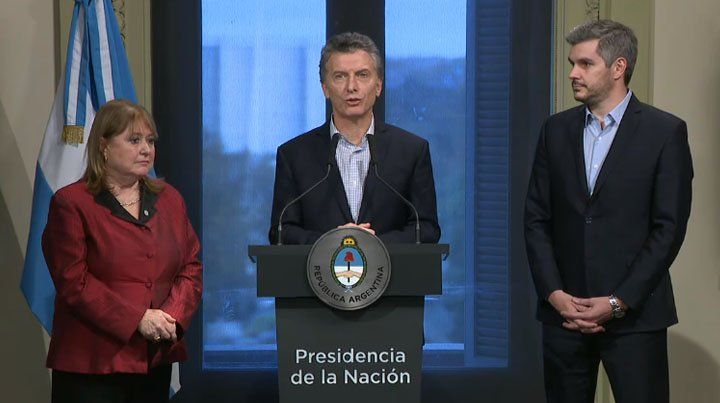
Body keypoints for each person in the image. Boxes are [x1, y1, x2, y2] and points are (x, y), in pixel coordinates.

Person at [524, 19, 693, 403]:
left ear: (619, 67)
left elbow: (668, 229)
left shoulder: (664, 132)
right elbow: (536, 219)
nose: (573, 73)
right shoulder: (555, 130)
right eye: (572, 63)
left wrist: (618, 302)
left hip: (636, 318)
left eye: (585, 64)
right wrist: (555, 294)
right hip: (564, 317)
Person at [42, 99, 203, 402]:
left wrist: (171, 316)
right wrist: (137, 318)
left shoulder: (170, 200)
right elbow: (73, 282)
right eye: (134, 140)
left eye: (150, 141)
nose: (146, 149)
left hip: (154, 359)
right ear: (104, 146)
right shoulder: (71, 203)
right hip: (92, 364)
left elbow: (190, 266)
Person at [268, 32, 440, 244]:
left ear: (378, 86)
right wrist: (333, 241)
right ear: (325, 88)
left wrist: (371, 246)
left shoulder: (411, 151)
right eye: (340, 76)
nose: (352, 87)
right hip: (317, 266)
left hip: (392, 267)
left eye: (362, 75)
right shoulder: (294, 155)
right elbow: (281, 231)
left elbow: (427, 229)